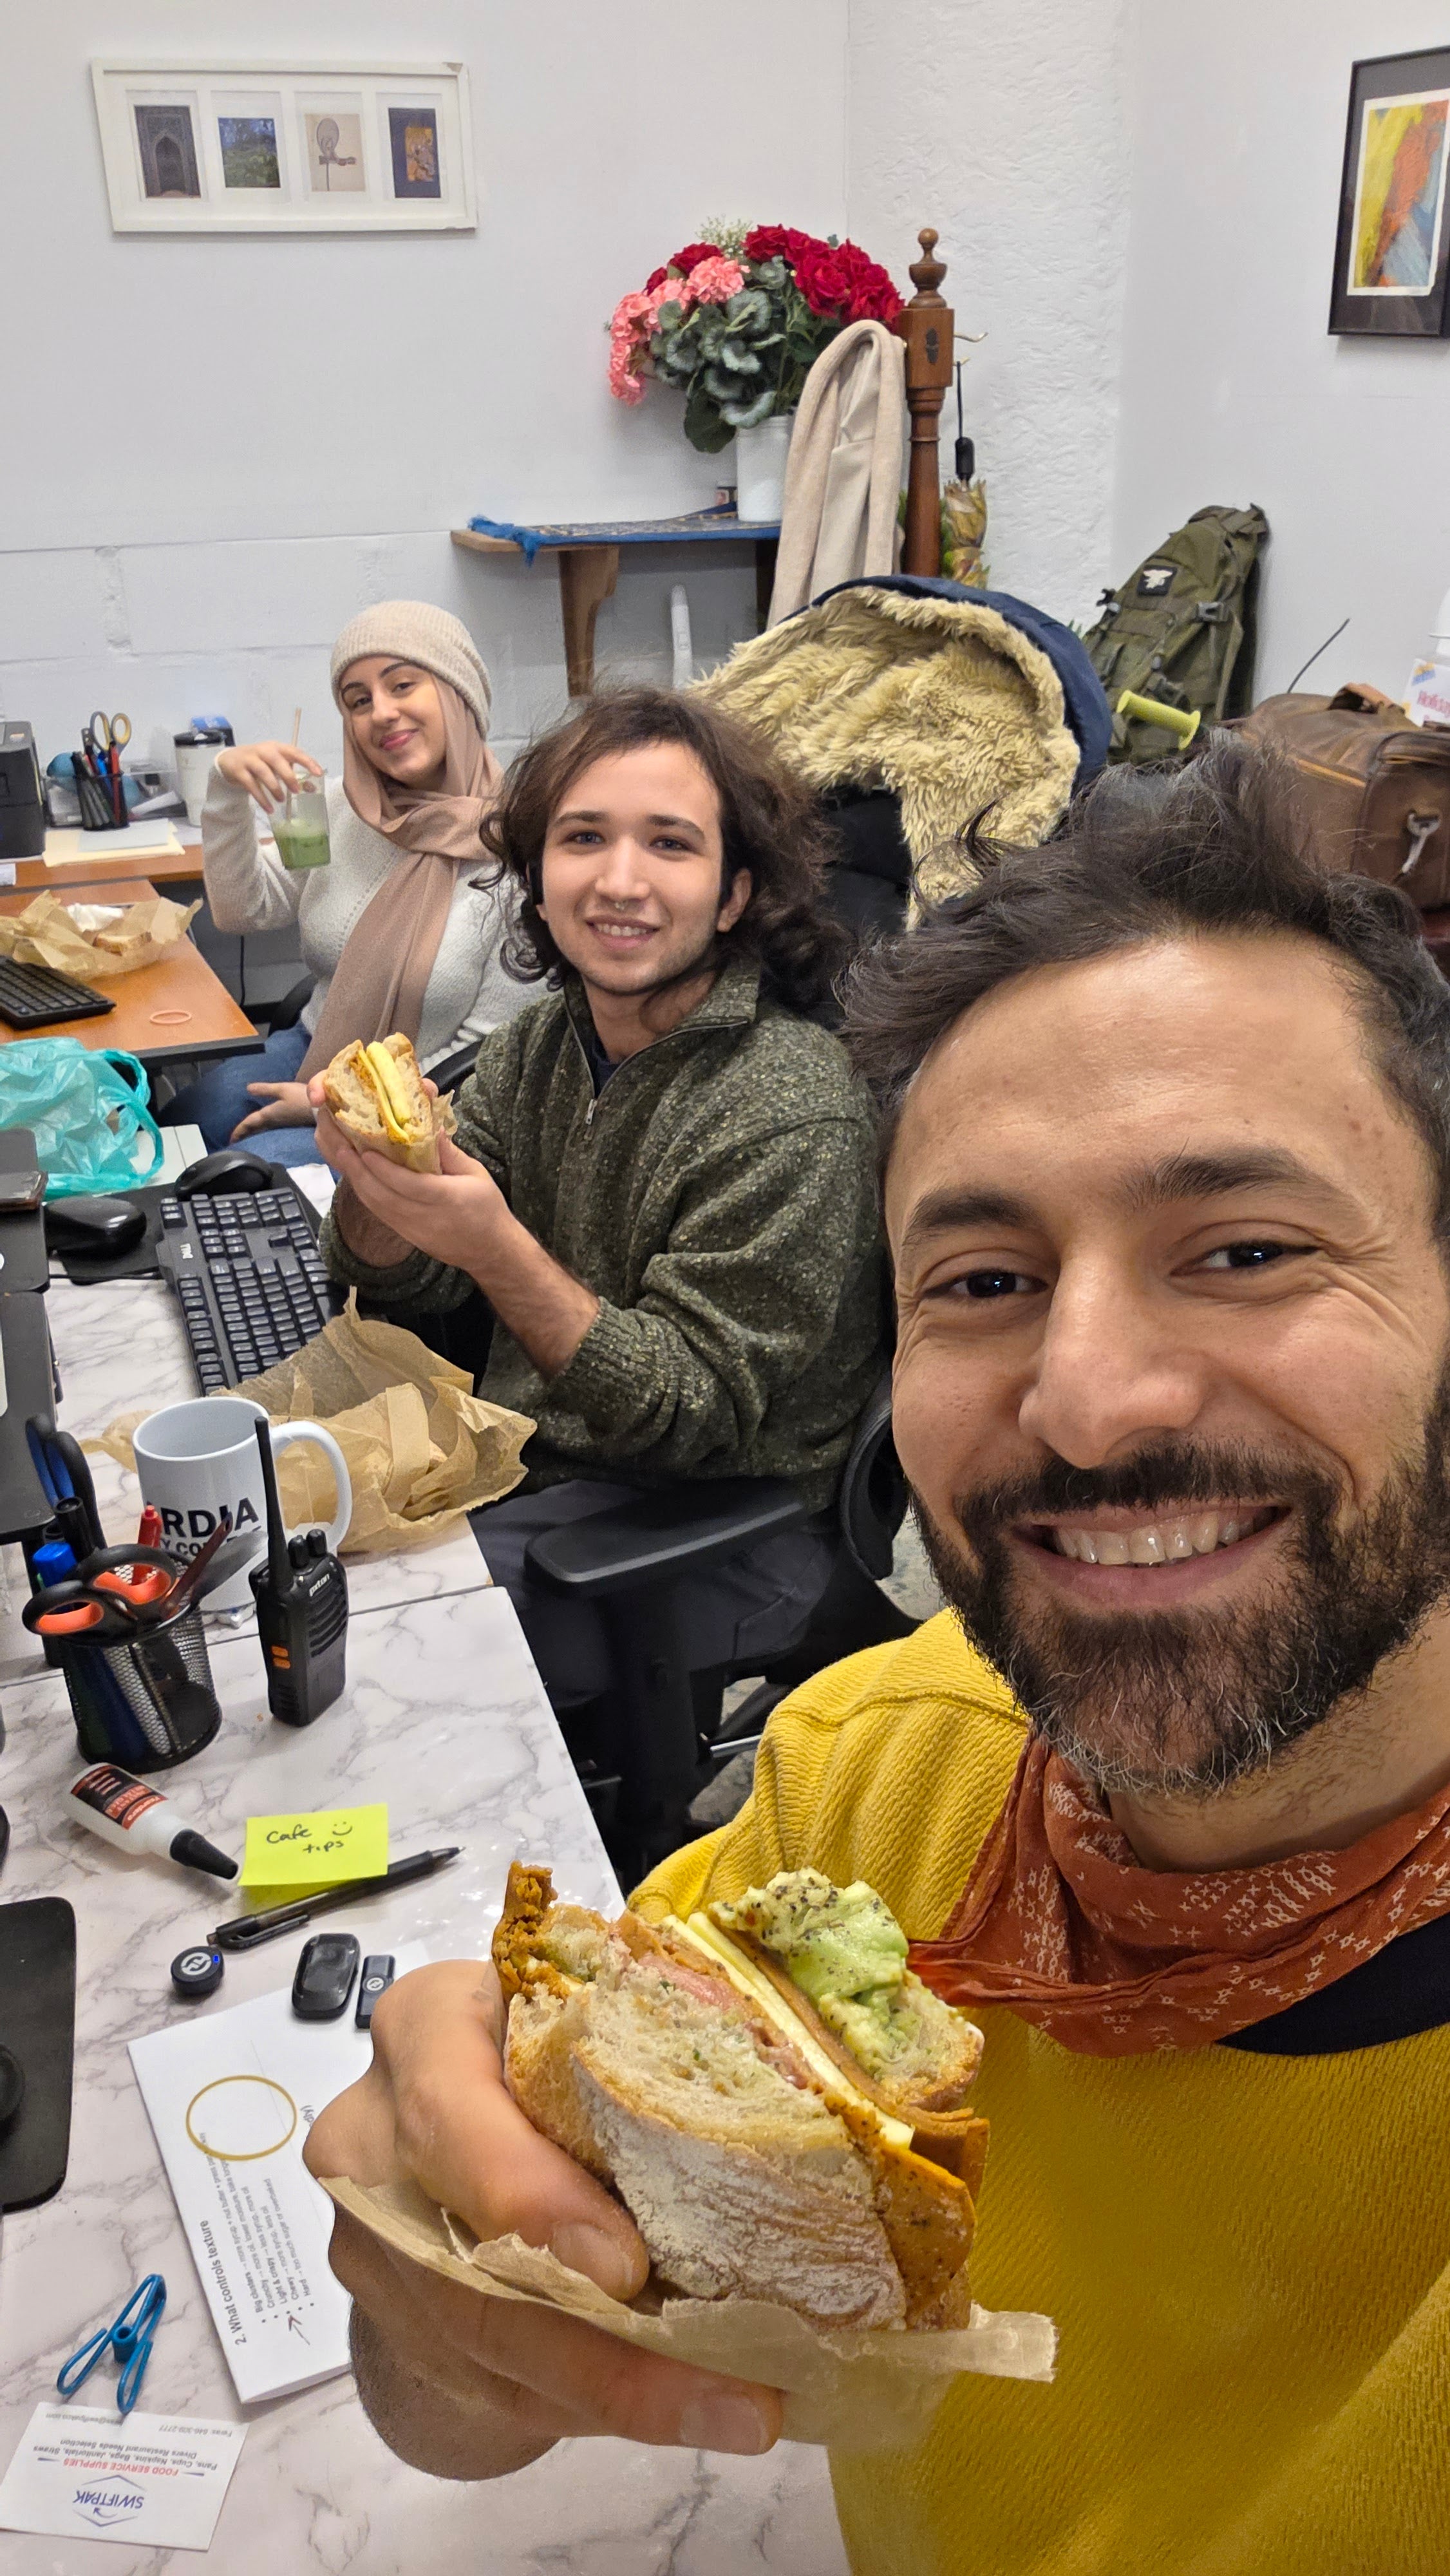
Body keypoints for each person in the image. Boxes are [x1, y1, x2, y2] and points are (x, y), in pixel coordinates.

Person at [307, 735, 1450, 2572]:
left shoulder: (768, 1107)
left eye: (1238, 1249)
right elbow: (460, 2394)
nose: (1080, 1403)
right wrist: (441, 2302)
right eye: (982, 1283)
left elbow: (679, 1397)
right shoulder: (866, 1774)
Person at [312, 685, 885, 1718]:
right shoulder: (539, 1046)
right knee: (272, 1570)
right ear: (538, 883)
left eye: (670, 844)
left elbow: (684, 1416)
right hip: (541, 1476)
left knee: (367, 1656)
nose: (620, 881)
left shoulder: (790, 1109)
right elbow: (397, 1277)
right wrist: (375, 1183)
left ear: (734, 895)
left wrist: (496, 1245)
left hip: (719, 1533)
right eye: (584, 838)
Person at [164, 602, 524, 1166]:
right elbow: (244, 911)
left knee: (245, 1174)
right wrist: (226, 790)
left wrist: (327, 1108)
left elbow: (489, 1061)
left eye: (402, 685)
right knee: (184, 1119)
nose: (381, 713)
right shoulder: (341, 806)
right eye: (359, 701)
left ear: (461, 695)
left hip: (417, 1105)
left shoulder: (520, 853)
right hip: (319, 1045)